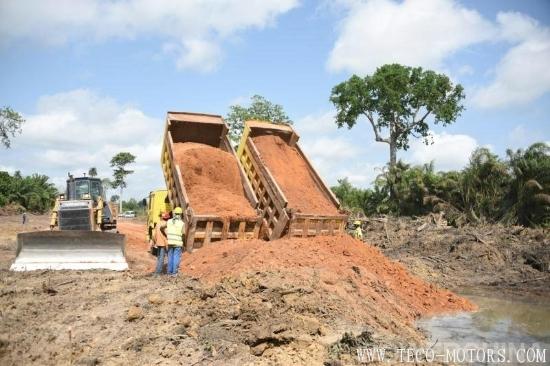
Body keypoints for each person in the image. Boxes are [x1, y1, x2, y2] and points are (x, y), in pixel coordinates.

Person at [166, 206, 186, 276]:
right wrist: (184, 243)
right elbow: (183, 233)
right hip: (178, 243)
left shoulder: (169, 221)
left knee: (170, 257)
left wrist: (166, 234)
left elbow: (162, 227)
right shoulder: (182, 223)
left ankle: (169, 272)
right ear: (180, 214)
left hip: (170, 242)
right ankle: (174, 273)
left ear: (174, 213)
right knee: (176, 257)